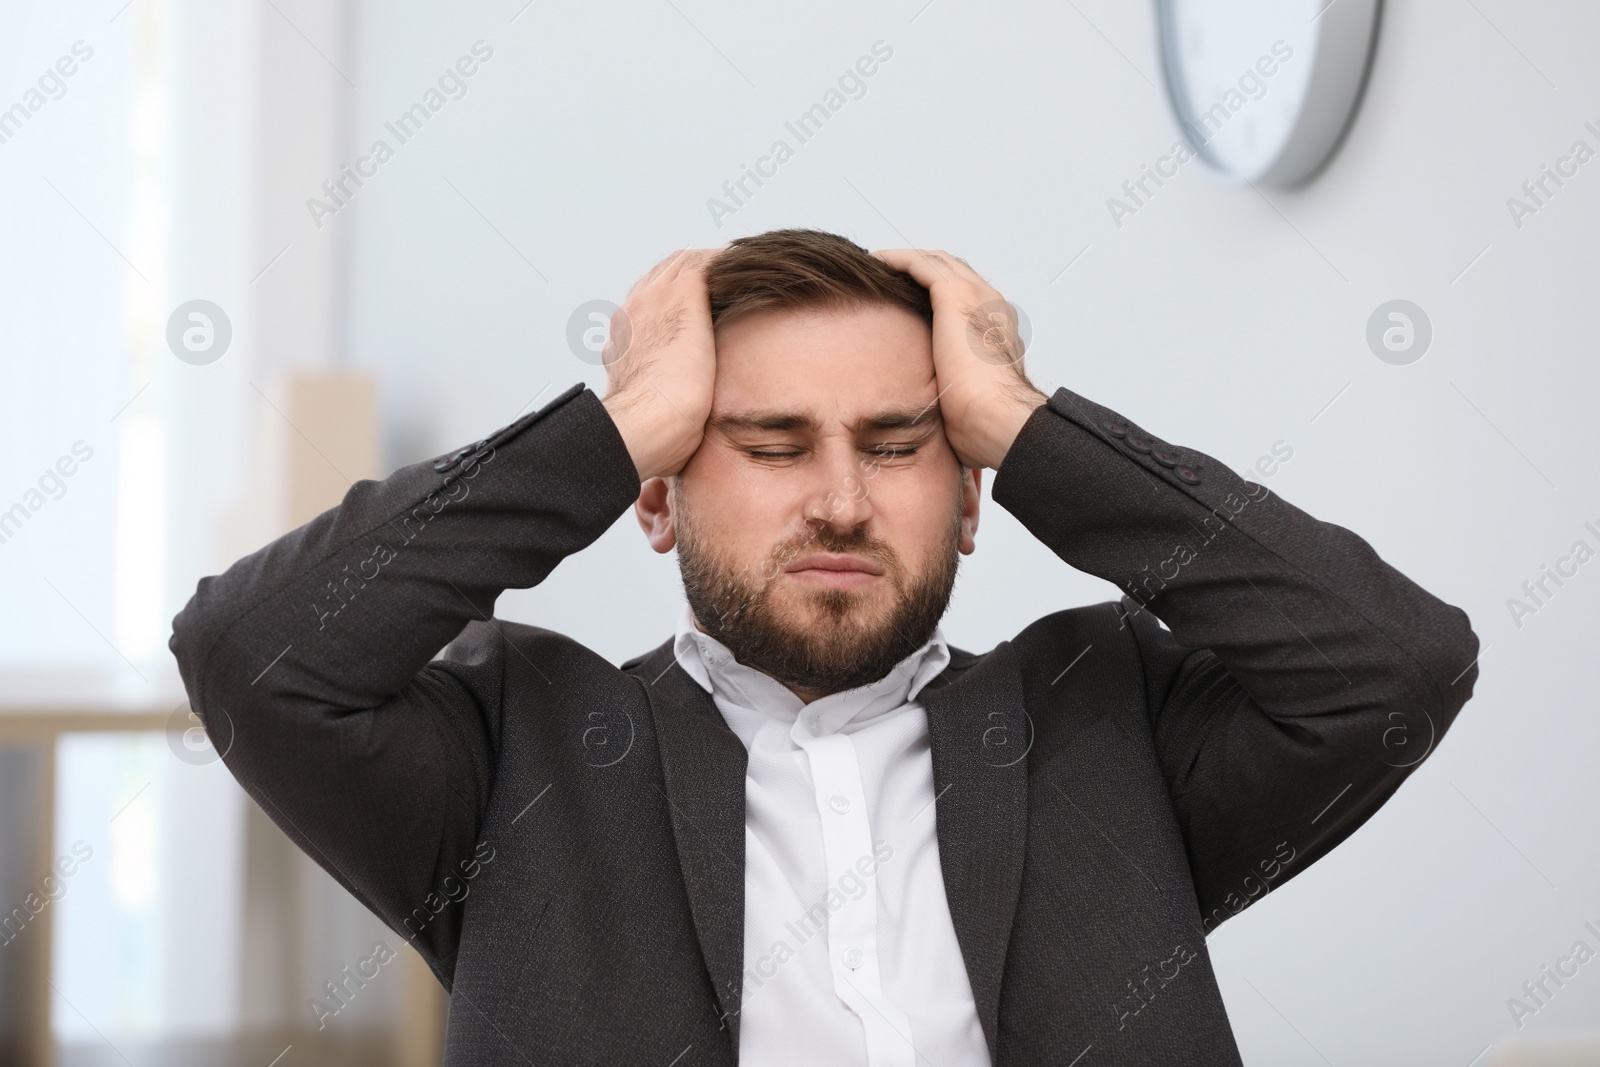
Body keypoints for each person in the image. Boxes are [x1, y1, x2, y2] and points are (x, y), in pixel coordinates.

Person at [170, 229, 1480, 1066]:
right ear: (657, 494)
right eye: (771, 444)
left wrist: (1021, 421)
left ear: (970, 500)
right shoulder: (519, 750)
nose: (842, 499)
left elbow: (1395, 665)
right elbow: (253, 656)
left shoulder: (1110, 723)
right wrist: (618, 421)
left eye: (904, 445)